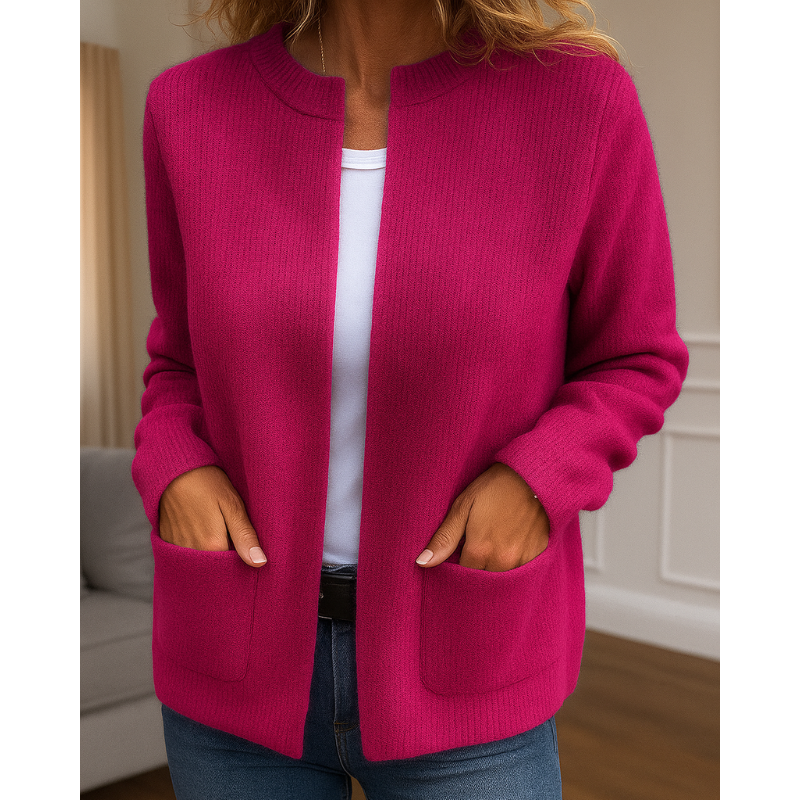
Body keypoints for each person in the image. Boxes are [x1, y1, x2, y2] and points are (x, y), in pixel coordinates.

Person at [132, 0, 689, 797]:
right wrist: (177, 467)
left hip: (467, 668)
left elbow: (635, 357)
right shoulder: (187, 108)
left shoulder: (579, 100)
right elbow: (177, 361)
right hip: (231, 662)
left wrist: (536, 481)